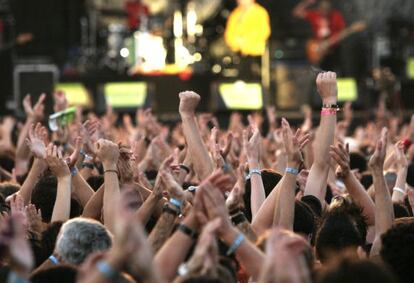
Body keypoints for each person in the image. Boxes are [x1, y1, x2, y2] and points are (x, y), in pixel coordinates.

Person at [293, 0, 345, 72]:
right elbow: (297, 13)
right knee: (321, 71)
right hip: (319, 49)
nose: (324, 12)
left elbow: (342, 32)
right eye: (322, 9)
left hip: (333, 49)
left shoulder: (335, 16)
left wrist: (331, 41)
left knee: (336, 70)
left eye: (326, 9)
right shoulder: (315, 15)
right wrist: (306, 3)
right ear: (319, 8)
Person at [224, 0, 271, 79]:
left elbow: (264, 32)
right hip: (237, 54)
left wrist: (246, 41)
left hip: (255, 54)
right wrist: (236, 43)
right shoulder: (235, 14)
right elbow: (229, 34)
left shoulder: (260, 12)